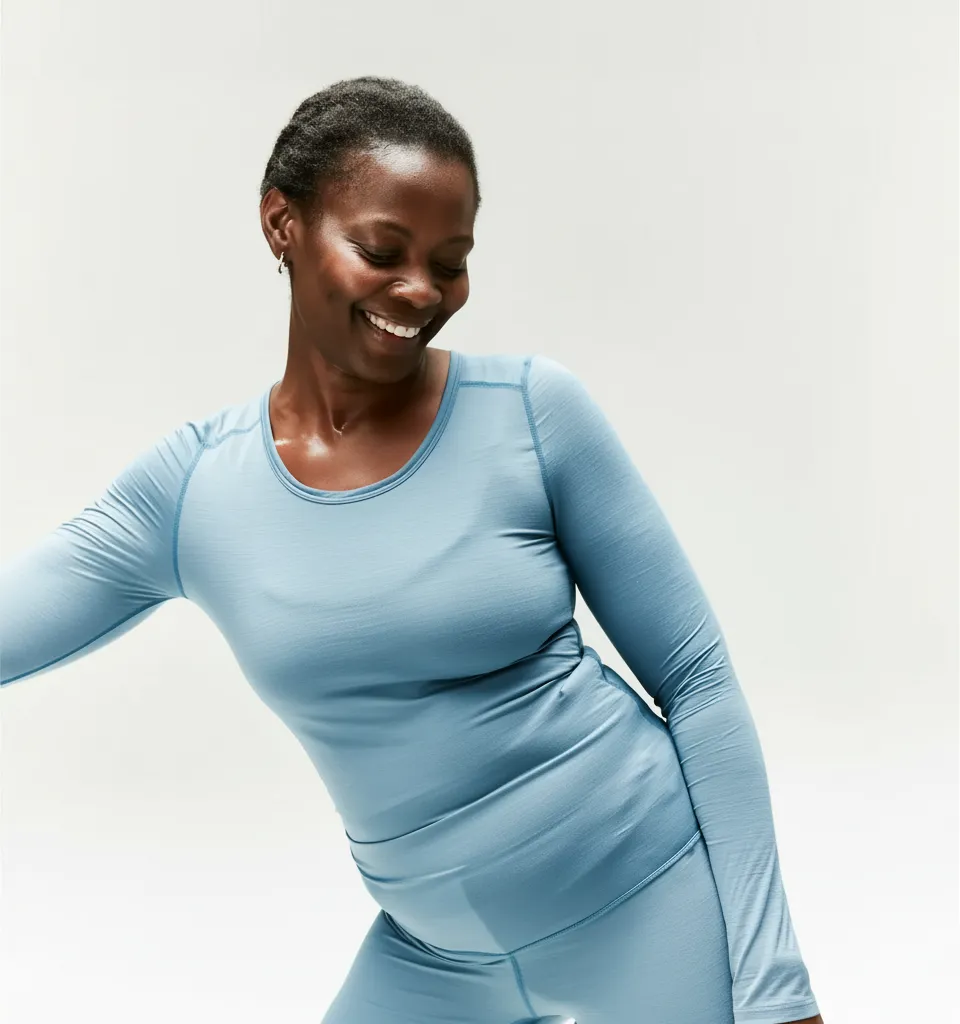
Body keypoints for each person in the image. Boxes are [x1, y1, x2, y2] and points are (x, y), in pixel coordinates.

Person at [0, 77, 824, 1024]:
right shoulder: (193, 492)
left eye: (452, 261)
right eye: (381, 251)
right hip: (436, 960)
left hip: (651, 902)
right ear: (282, 224)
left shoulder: (531, 411)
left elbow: (698, 680)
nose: (422, 293)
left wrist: (772, 984)